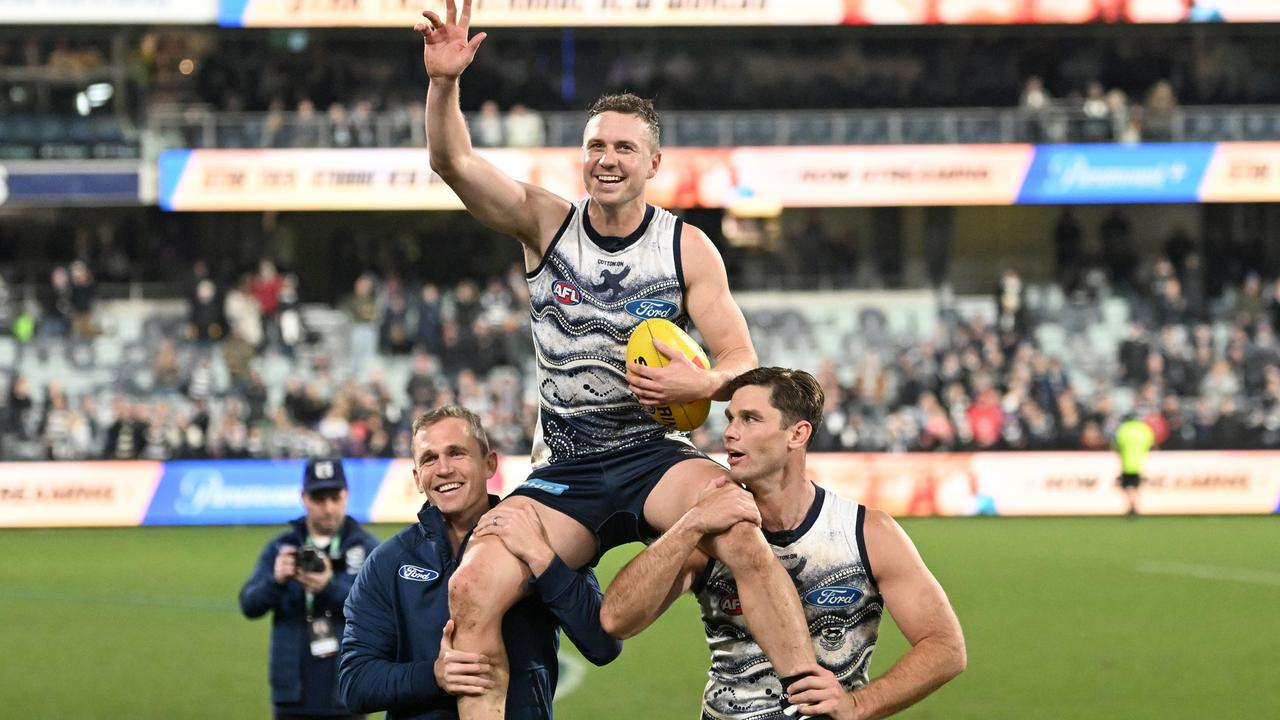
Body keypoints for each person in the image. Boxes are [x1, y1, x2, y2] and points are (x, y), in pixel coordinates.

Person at [414, 2, 817, 716]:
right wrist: (444, 84)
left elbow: (742, 360)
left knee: (737, 522)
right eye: (597, 145)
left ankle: (809, 698)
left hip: (653, 456)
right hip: (566, 465)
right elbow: (454, 162)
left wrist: (707, 380)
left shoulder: (686, 247)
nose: (607, 159)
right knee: (471, 588)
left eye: (625, 148)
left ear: (653, 162)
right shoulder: (545, 223)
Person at [600, 368, 967, 719]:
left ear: (797, 434)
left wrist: (858, 705)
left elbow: (945, 646)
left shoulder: (867, 532)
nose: (729, 432)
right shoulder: (712, 531)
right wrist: (689, 524)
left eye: (749, 419)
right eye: (729, 418)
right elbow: (617, 618)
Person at [338, 406, 621, 718]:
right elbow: (354, 683)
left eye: (457, 453)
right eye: (430, 459)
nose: (444, 469)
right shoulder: (389, 560)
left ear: (490, 464)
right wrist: (434, 675)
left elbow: (603, 645)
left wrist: (544, 559)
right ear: (418, 478)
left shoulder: (542, 537)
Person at [240, 459, 380, 720]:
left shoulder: (367, 548)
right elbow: (249, 604)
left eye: (334, 497)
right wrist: (276, 580)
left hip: (345, 692)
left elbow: (378, 610)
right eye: (318, 498)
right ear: (303, 498)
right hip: (292, 694)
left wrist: (329, 586)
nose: (328, 508)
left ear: (346, 495)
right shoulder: (283, 546)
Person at [1114, 415, 1156, 517]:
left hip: (1127, 463)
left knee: (1127, 486)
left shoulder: (1123, 429)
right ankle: (1135, 505)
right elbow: (1151, 443)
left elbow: (1116, 445)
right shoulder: (1144, 429)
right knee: (1136, 486)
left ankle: (1132, 506)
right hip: (1140, 463)